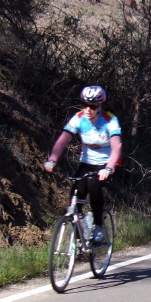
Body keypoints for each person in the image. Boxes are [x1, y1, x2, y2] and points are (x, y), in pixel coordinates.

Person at [44, 85, 122, 243]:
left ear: (99, 107)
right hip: (86, 163)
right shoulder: (78, 118)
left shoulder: (109, 120)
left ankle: (98, 225)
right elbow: (62, 141)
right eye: (85, 105)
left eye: (92, 106)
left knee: (94, 185)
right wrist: (52, 159)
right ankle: (80, 236)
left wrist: (109, 168)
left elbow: (117, 146)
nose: (88, 109)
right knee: (76, 194)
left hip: (106, 163)